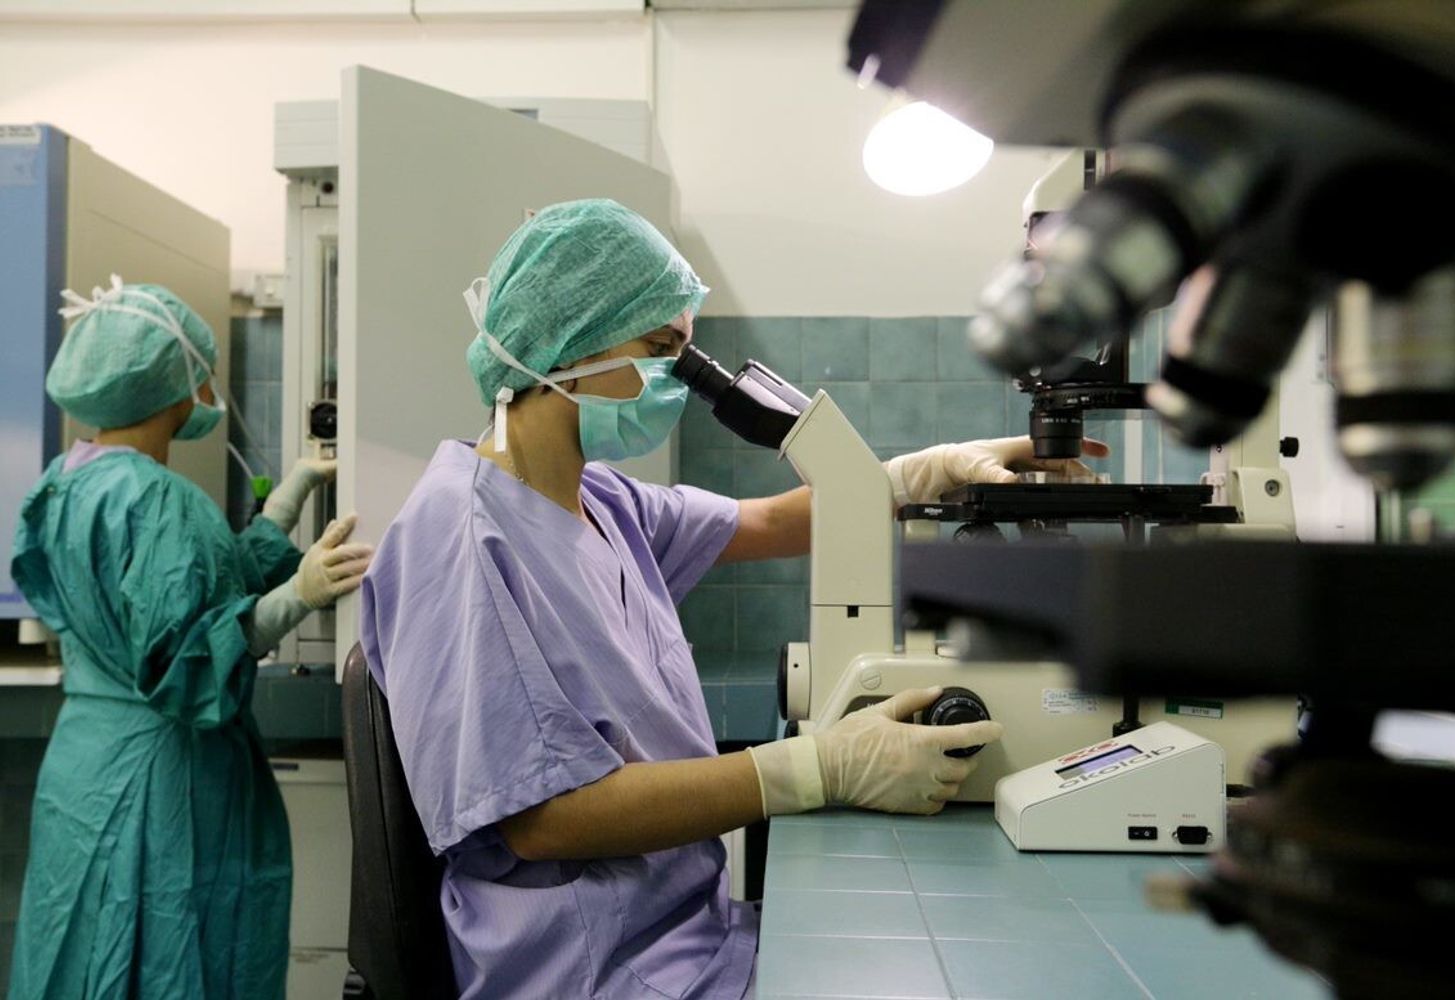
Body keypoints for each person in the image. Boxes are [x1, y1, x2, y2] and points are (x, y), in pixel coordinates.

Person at [360, 200, 1106, 999]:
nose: (677, 379)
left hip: (683, 934)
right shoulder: (462, 537)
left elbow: (769, 520)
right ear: (568, 347)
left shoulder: (601, 501)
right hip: (588, 969)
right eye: (659, 351)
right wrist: (814, 769)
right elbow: (544, 820)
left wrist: (922, 472)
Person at [8, 277, 372, 1000]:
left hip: (87, 767)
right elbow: (186, 660)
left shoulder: (66, 484)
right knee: (169, 961)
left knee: (80, 956)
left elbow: (197, 584)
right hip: (161, 778)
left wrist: (292, 494)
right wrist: (298, 596)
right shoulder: (158, 499)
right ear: (171, 385)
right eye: (197, 375)